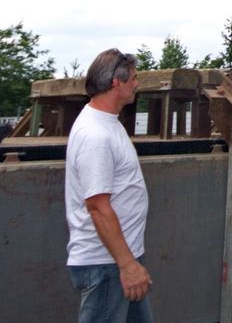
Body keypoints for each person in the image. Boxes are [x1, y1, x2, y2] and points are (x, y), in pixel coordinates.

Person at [65, 48, 153, 323]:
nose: (137, 84)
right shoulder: (96, 136)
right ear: (117, 82)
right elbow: (98, 207)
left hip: (121, 260)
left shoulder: (108, 123)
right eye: (134, 78)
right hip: (107, 264)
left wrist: (130, 262)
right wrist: (127, 265)